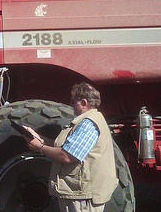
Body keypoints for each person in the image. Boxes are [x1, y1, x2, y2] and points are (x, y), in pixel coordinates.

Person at [23, 82, 118, 212]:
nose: (70, 105)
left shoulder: (87, 124)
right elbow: (65, 147)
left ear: (84, 103)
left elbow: (68, 156)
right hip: (81, 193)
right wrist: (38, 138)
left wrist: (40, 148)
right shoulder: (90, 120)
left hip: (83, 197)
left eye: (73, 101)